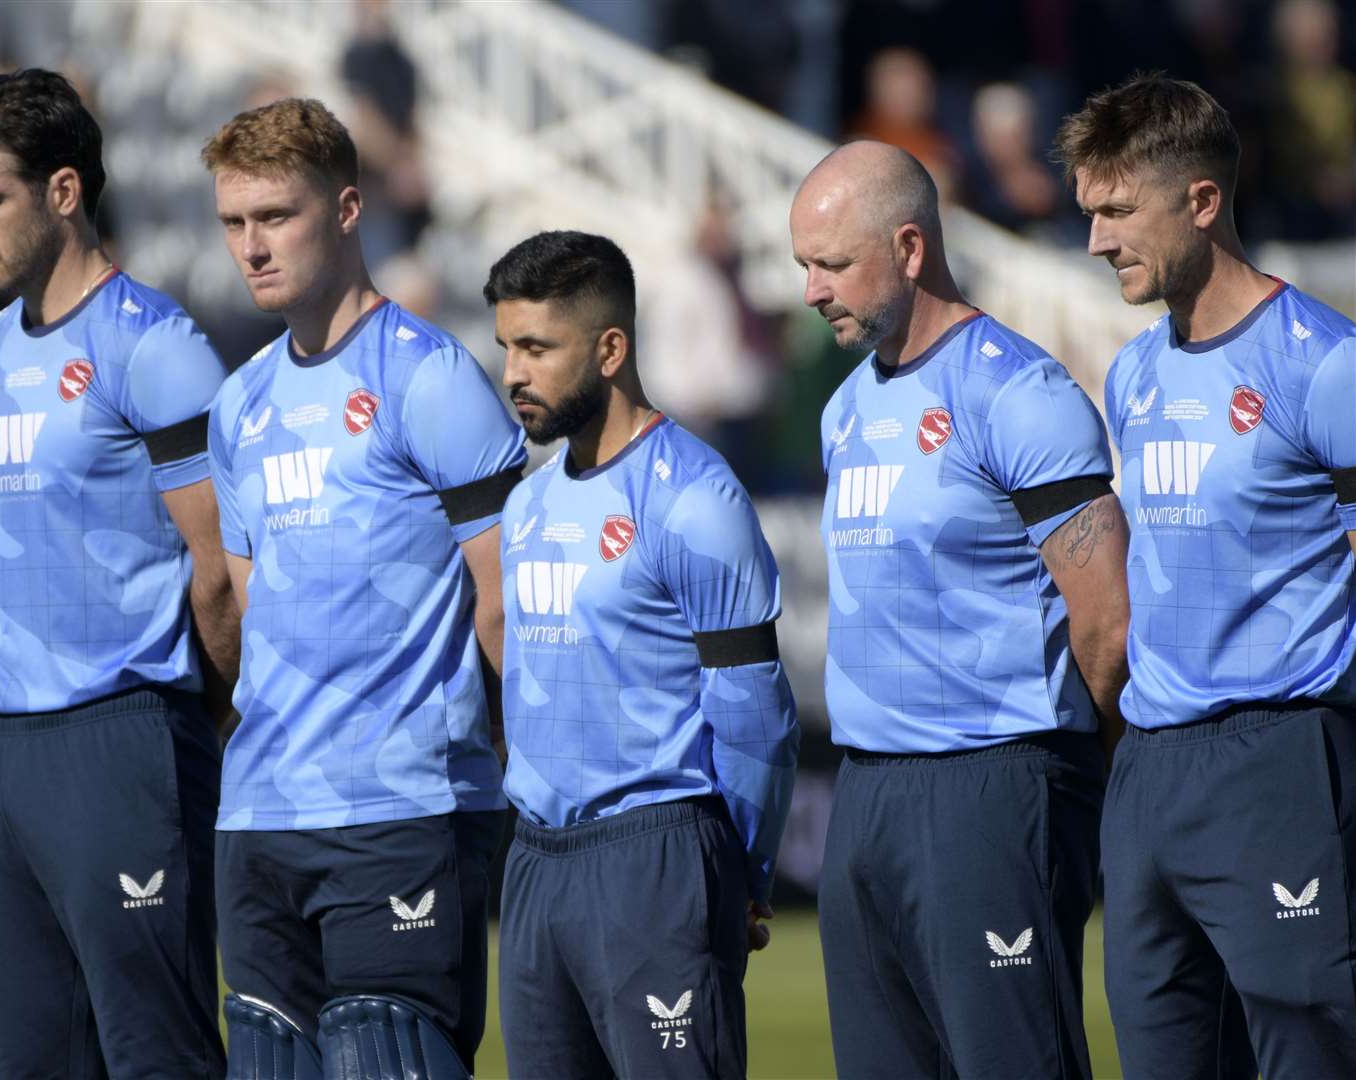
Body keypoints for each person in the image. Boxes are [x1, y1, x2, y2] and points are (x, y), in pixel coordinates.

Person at [0, 69, 234, 1078]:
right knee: (33, 1060)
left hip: (124, 735)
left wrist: (190, 718)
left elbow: (221, 570)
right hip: (4, 751)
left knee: (158, 1056)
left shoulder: (157, 347)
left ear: (63, 191)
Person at [201, 97, 524, 1078]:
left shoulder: (429, 378)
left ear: (346, 211)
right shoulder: (240, 402)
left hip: (402, 808)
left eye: (276, 217)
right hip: (260, 816)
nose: (251, 247)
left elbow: (510, 601)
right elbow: (253, 612)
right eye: (233, 223)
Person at [791, 140, 1128, 1079]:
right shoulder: (846, 408)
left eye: (831, 265)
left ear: (908, 248)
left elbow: (1107, 620)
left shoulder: (1016, 391)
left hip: (991, 782)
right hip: (867, 795)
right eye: (802, 267)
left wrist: (1067, 772)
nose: (812, 291)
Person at [1056, 73, 1356, 1079]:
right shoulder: (1135, 372)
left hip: (1282, 759)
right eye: (1089, 212)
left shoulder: (1322, 362)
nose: (1098, 240)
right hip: (1149, 771)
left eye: (1117, 210)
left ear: (1202, 201)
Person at [486, 229, 801, 1079]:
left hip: (655, 851)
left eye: (537, 348)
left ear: (611, 348)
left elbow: (757, 716)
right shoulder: (528, 506)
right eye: (506, 346)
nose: (513, 372)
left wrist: (743, 871)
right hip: (535, 861)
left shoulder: (697, 499)